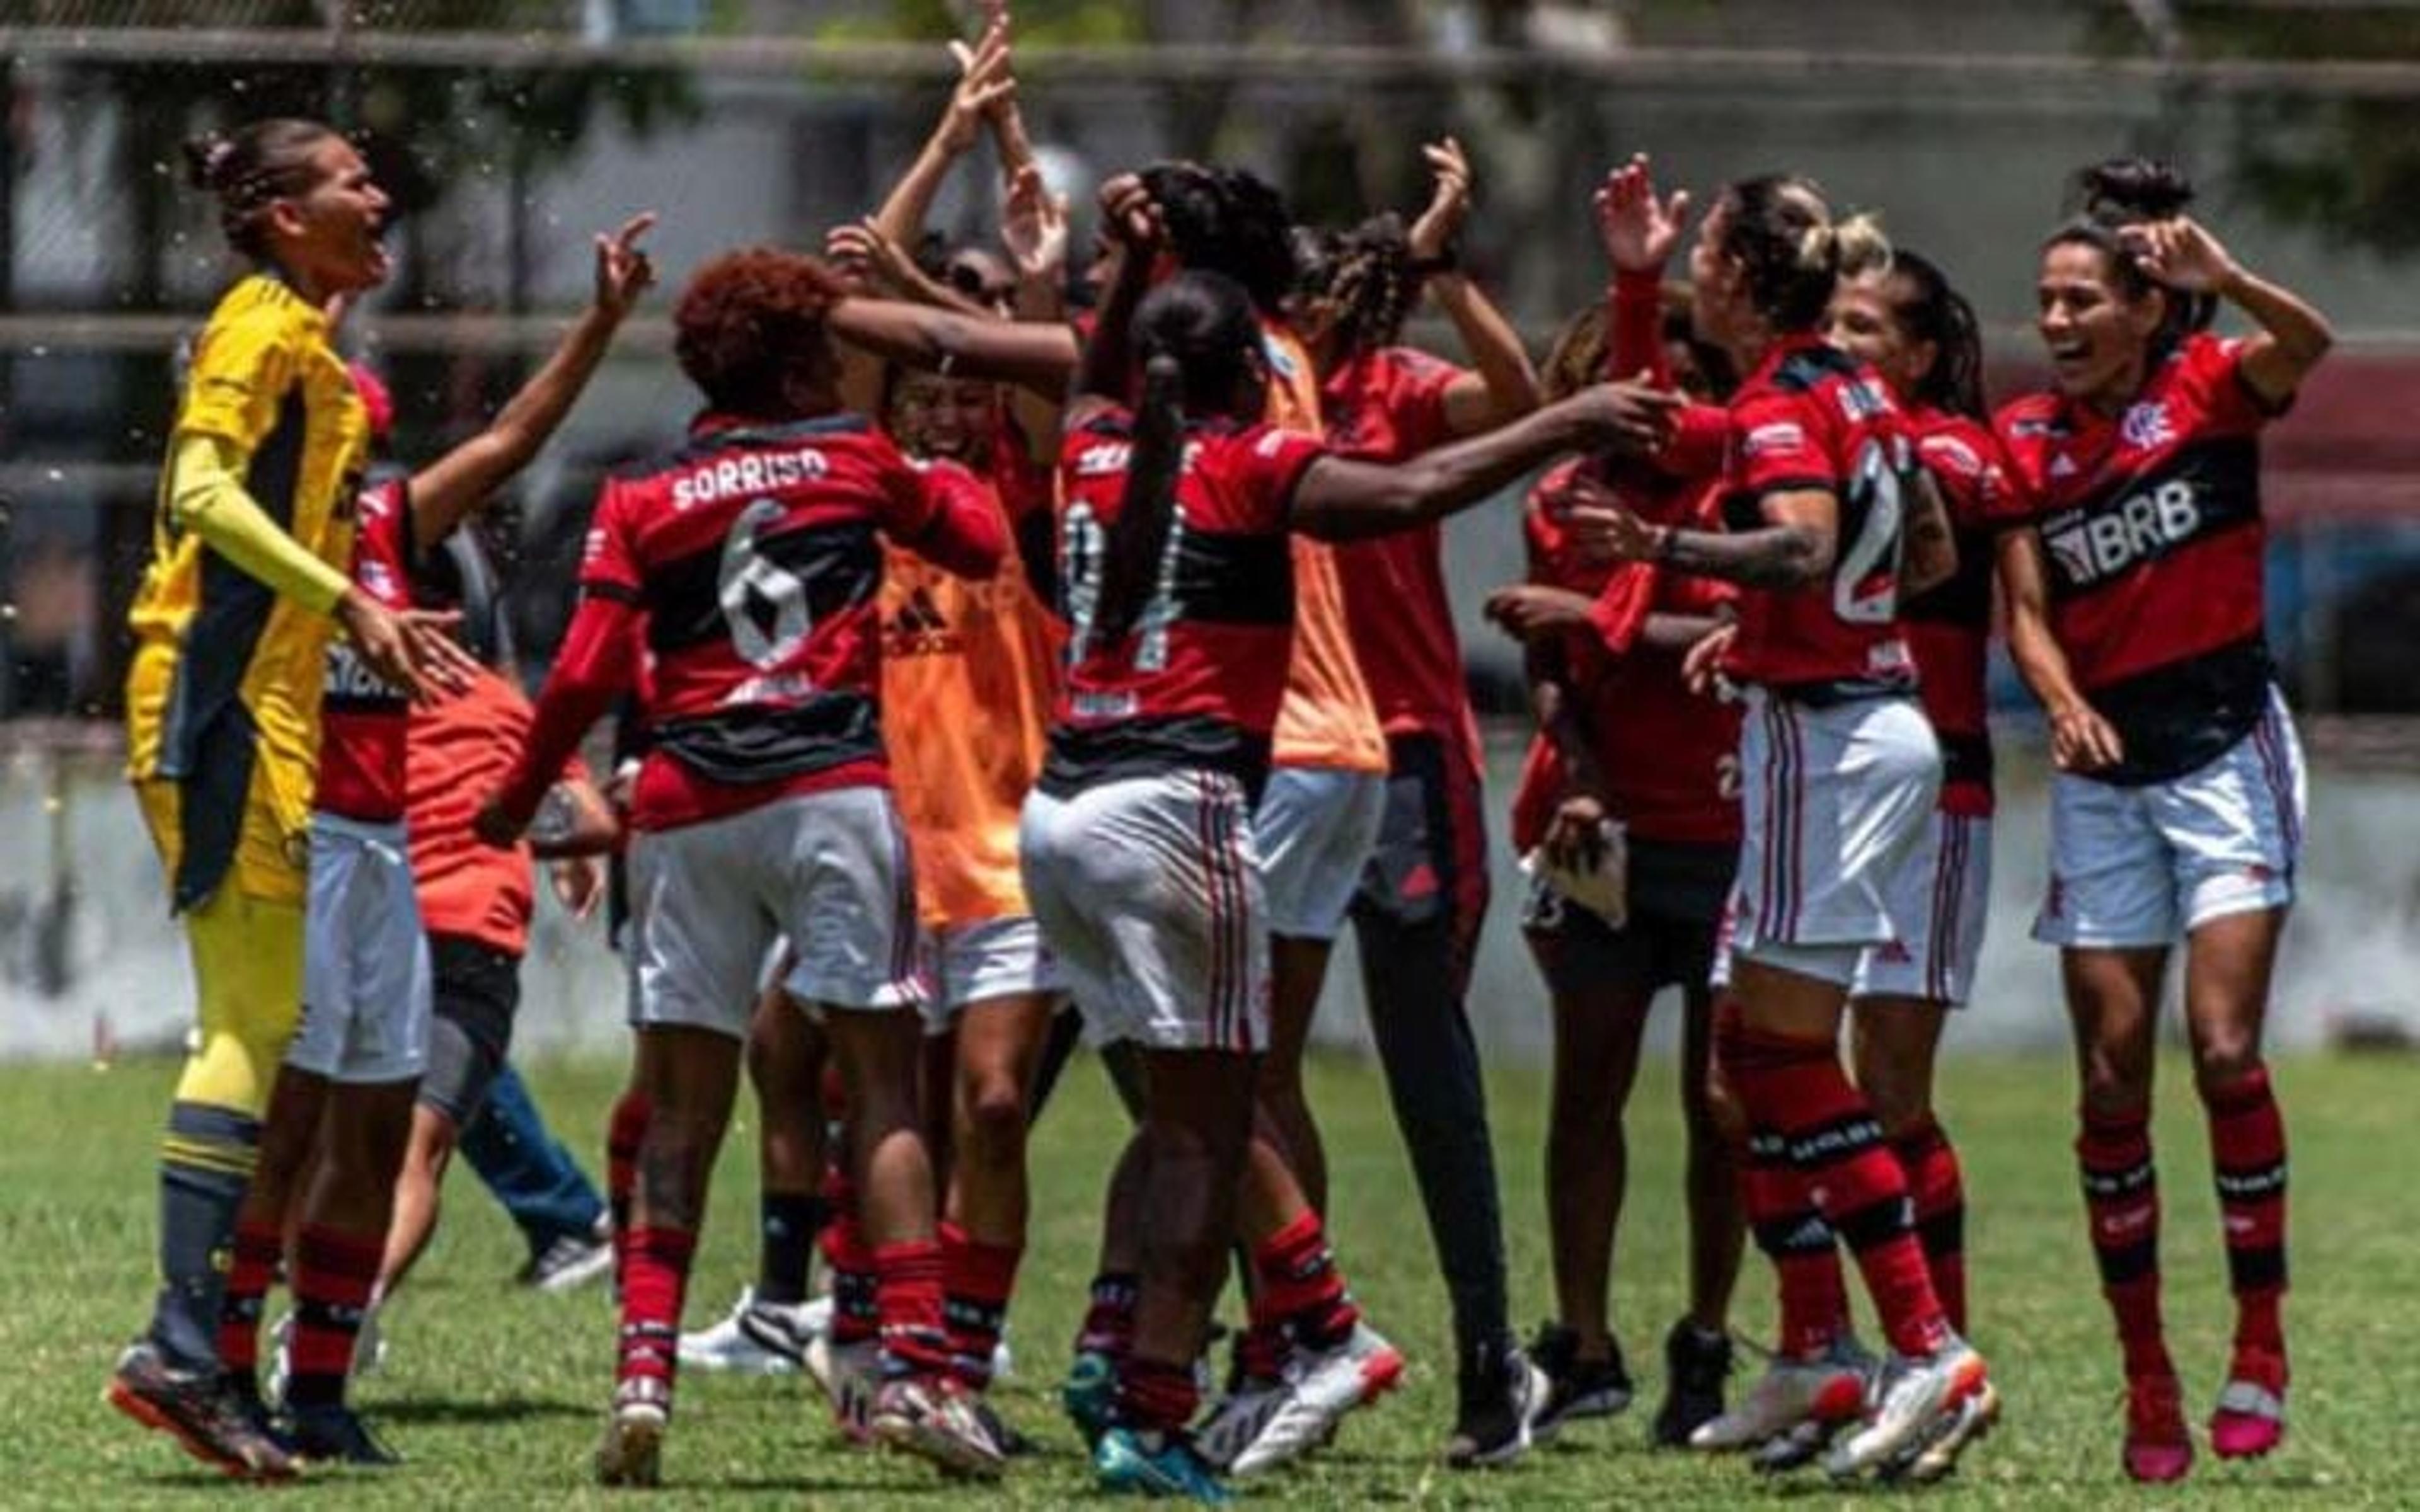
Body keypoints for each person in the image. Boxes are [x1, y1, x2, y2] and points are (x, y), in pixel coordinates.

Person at [1017, 174, 1676, 1499]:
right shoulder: (1253, 447)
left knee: (1201, 1103)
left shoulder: (1095, 443)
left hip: (1078, 802)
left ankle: (1257, 1340)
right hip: (1203, 789)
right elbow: (1422, 487)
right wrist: (1571, 417)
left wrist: (1112, 268)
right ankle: (1228, 1368)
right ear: (1253, 357)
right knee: (1214, 1117)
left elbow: (1081, 377)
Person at [476, 246, 1011, 1486]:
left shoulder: (643, 493)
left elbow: (589, 674)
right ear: (801, 358)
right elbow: (981, 541)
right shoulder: (857, 458)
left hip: (688, 811)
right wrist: (935, 455)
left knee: (679, 1111)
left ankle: (645, 1378)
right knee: (880, 1090)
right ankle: (924, 1374)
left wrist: (515, 801)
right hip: (831, 797)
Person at [1572, 171, 1991, 1481]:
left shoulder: (1787, 411)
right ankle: (1813, 1352)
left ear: (1746, 275)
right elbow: (1918, 550)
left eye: (1703, 251)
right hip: (1832, 724)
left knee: (1794, 1062)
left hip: (1828, 738)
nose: (1699, 267)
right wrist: (1634, 284)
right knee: (1744, 1063)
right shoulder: (1848, 393)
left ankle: (1925, 1345)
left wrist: (1664, 549)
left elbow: (1803, 550)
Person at [216, 219, 650, 1463]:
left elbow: (514, 441)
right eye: (325, 428)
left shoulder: (391, 526)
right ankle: (228, 1366)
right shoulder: (251, 536)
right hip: (304, 857)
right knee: (293, 1129)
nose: (346, 447)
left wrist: (604, 325)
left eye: (352, 431)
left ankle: (320, 1388)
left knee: (370, 1139)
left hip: (388, 864)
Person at [1213, 137, 1549, 1472]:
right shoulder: (1255, 387)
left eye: (1369, 282)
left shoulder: (1402, 389)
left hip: (1408, 757)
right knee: (1249, 1061)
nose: (1342, 301)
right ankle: (1287, 1343)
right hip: (1280, 750)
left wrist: (1452, 269)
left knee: (1425, 1061)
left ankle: (1490, 1356)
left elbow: (1521, 400)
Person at [110, 117, 438, 1481]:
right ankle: (181, 1351)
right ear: (287, 215)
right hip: (222, 700)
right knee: (248, 1026)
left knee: (264, 1020)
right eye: (352, 178)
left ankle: (195, 1352)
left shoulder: (302, 331)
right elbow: (192, 486)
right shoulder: (258, 322)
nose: (380, 193)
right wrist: (346, 596)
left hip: (265, 706)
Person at [1993, 158, 2330, 1484]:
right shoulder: (2024, 442)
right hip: (2103, 781)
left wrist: (2227, 279)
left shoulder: (2208, 388)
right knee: (2109, 1078)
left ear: (2143, 308)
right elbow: (2023, 608)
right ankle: (2148, 1376)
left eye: (2083, 299)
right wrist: (2060, 700)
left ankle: (2262, 1344)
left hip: (2226, 754)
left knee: (2227, 1049)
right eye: (2045, 301)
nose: (2060, 321)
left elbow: (2308, 344)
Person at [1482, 152, 1745, 1446]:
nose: (1666, 407)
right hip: (1602, 834)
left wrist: (1595, 610)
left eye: (1692, 386)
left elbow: (1733, 625)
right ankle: (1584, 1343)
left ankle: (1705, 1340)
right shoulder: (1564, 496)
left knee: (1724, 1103)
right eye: (1644, 384)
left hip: (1731, 828)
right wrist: (1576, 769)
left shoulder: (1746, 493)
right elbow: (1547, 657)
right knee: (1587, 1092)